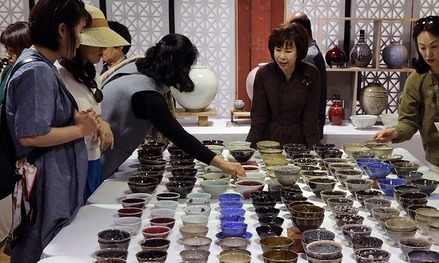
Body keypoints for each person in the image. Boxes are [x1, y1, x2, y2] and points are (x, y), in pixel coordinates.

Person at [5, 0, 98, 263]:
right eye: (79, 31)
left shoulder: (40, 66)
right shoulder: (37, 71)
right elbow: (31, 134)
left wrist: (74, 119)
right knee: (45, 249)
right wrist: (80, 128)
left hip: (51, 179)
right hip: (47, 183)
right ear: (62, 30)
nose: (80, 39)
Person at [100, 33, 245, 179]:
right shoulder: (147, 94)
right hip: (98, 155)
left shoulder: (136, 67)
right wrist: (223, 164)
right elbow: (179, 136)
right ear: (178, 68)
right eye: (187, 67)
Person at [372, 16, 439, 183]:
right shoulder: (417, 80)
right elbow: (408, 121)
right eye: (422, 48)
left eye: (434, 46)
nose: (428, 54)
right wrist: (395, 132)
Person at [58, 5, 127, 201]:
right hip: (72, 161)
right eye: (98, 43)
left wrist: (102, 122)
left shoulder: (92, 74)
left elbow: (93, 111)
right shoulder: (58, 74)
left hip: (93, 156)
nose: (104, 49)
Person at [246, 22, 321, 148]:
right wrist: (247, 152)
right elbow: (258, 120)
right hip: (268, 143)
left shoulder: (311, 73)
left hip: (298, 143)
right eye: (278, 50)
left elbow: (311, 121)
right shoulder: (264, 74)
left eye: (288, 51)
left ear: (299, 51)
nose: (282, 56)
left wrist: (317, 154)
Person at [0, 22, 32, 252]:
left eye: (14, 49)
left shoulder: (27, 72)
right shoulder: (8, 71)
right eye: (7, 49)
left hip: (16, 149)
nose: (8, 55)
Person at [287, 12, 327, 139]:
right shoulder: (312, 52)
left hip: (304, 131)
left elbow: (299, 99)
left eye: (289, 30)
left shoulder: (308, 57)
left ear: (301, 30)